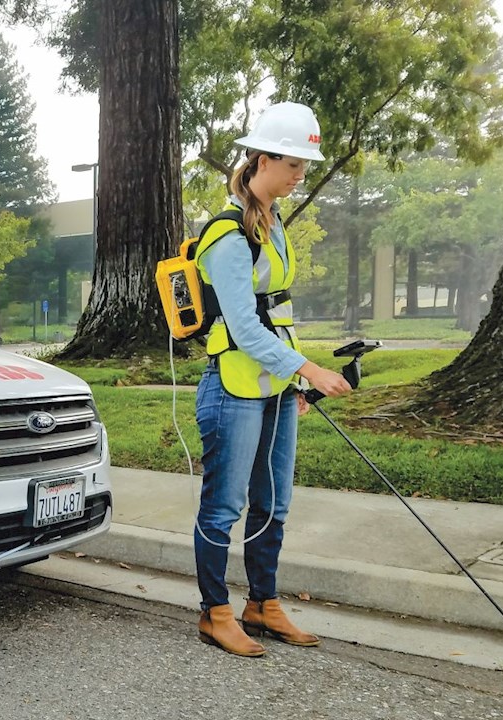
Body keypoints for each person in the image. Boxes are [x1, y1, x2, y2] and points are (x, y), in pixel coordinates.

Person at [191, 101, 352, 657]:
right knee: (223, 507)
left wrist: (295, 381)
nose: (301, 176)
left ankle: (262, 605)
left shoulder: (274, 222)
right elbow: (243, 329)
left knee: (274, 502)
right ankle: (215, 613)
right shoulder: (226, 234)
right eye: (294, 166)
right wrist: (309, 370)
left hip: (275, 390)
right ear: (263, 160)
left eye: (304, 166)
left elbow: (278, 317)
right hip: (232, 387)